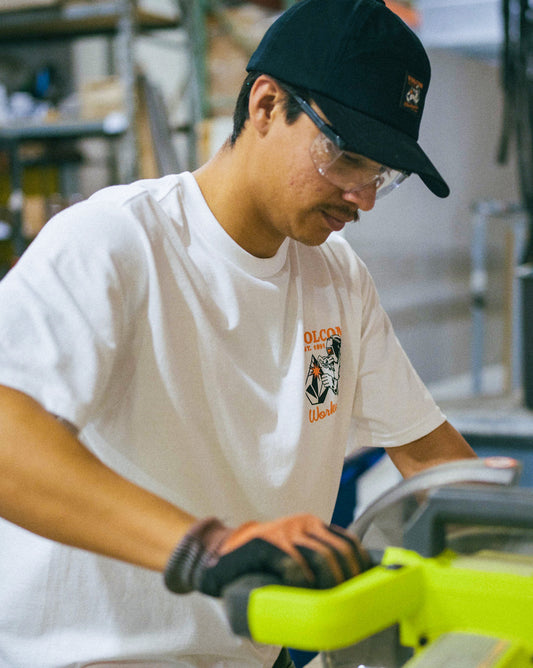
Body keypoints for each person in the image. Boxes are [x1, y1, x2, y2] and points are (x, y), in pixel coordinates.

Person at [0, 0, 476, 666]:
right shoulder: (116, 242)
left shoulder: (337, 277)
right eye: (346, 158)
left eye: (380, 175)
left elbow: (428, 458)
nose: (364, 198)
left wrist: (505, 540)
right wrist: (209, 549)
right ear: (265, 105)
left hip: (249, 648)